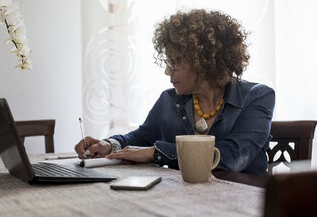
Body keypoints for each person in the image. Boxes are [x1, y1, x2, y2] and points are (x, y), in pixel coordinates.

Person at [74, 9, 275, 176]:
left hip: (245, 203)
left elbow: (233, 157)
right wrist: (110, 145)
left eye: (174, 62)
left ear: (203, 60)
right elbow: (143, 137)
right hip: (186, 201)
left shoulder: (257, 97)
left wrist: (157, 153)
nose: (167, 70)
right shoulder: (170, 99)